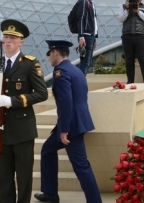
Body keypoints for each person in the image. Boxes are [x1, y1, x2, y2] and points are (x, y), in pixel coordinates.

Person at [0, 19, 48, 203]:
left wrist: (12, 100)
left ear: (21, 42)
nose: (8, 40)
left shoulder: (29, 64)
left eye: (13, 38)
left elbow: (42, 94)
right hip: (1, 131)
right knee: (4, 179)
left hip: (22, 130)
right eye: (5, 37)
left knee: (23, 178)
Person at [35, 40, 102, 203]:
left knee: (81, 165)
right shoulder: (76, 70)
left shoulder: (61, 72)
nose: (49, 58)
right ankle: (50, 193)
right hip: (77, 121)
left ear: (55, 53)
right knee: (47, 150)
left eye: (50, 54)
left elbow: (66, 102)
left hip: (72, 125)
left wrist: (64, 129)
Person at [117, 0, 144, 83]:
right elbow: (120, 19)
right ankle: (130, 82)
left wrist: (138, 12)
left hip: (140, 36)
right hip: (127, 36)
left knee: (143, 59)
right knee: (129, 60)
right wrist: (127, 10)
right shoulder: (124, 6)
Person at [75, 0, 102, 75]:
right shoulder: (84, 1)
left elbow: (93, 21)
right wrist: (81, 36)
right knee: (85, 63)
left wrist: (94, 37)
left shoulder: (91, 3)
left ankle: (80, 84)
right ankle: (80, 85)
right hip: (86, 36)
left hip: (91, 36)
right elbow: (80, 19)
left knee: (88, 62)